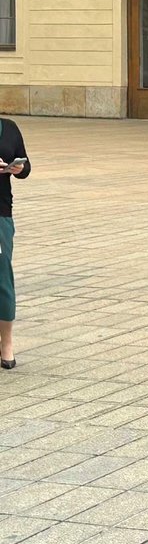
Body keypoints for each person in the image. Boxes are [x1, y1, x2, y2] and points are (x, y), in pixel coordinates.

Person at [0, 117, 31, 370]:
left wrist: (19, 169)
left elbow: (26, 165)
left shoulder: (9, 128)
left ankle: (6, 344)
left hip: (1, 214)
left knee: (2, 279)